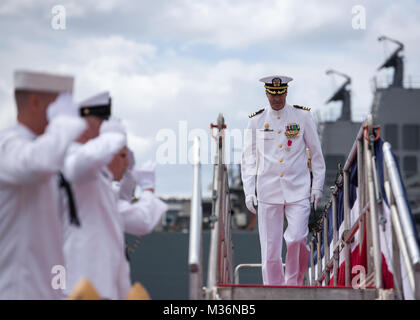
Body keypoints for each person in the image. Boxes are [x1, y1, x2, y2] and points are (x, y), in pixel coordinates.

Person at [62, 92, 167, 299]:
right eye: (122, 155)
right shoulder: (78, 174)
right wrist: (148, 190)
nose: (127, 163)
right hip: (82, 289)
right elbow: (141, 221)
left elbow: (121, 204)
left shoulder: (100, 184)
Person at [0, 70, 86, 299]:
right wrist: (64, 125)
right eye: (60, 107)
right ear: (36, 103)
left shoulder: (42, 149)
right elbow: (37, 164)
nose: (68, 115)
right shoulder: (8, 144)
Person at [241, 75, 325, 286]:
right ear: (266, 93)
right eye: (272, 94)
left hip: (298, 189)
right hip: (268, 191)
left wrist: (317, 187)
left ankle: (293, 284)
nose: (277, 99)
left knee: (297, 238)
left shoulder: (302, 116)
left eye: (280, 94)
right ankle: (272, 288)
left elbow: (316, 154)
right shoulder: (256, 121)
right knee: (270, 248)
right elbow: (248, 160)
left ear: (286, 92)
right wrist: (249, 191)